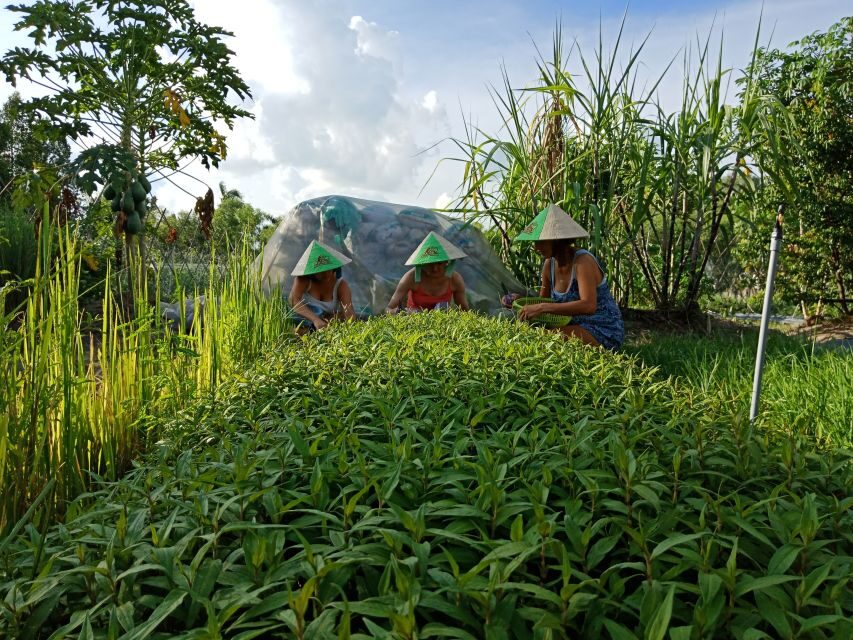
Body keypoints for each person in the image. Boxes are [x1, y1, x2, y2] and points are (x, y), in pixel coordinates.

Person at [512, 203, 624, 349]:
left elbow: (588, 305)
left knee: (545, 339)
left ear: (557, 241)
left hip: (602, 328)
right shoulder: (549, 265)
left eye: (540, 242)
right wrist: (523, 302)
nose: (536, 248)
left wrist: (541, 307)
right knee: (531, 334)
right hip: (573, 325)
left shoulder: (583, 262)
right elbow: (544, 303)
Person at [386, 231, 470, 313]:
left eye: (439, 263)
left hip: (441, 320)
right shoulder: (411, 276)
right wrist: (401, 312)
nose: (435, 269)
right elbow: (389, 308)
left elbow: (464, 310)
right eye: (429, 264)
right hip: (415, 318)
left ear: (447, 263)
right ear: (422, 263)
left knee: (443, 307)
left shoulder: (454, 279)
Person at [288, 240, 356, 333]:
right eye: (320, 270)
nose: (326, 273)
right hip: (303, 324)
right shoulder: (303, 280)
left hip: (328, 325)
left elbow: (349, 311)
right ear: (312, 271)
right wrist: (315, 319)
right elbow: (293, 300)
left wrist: (349, 329)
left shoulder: (341, 285)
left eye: (329, 269)